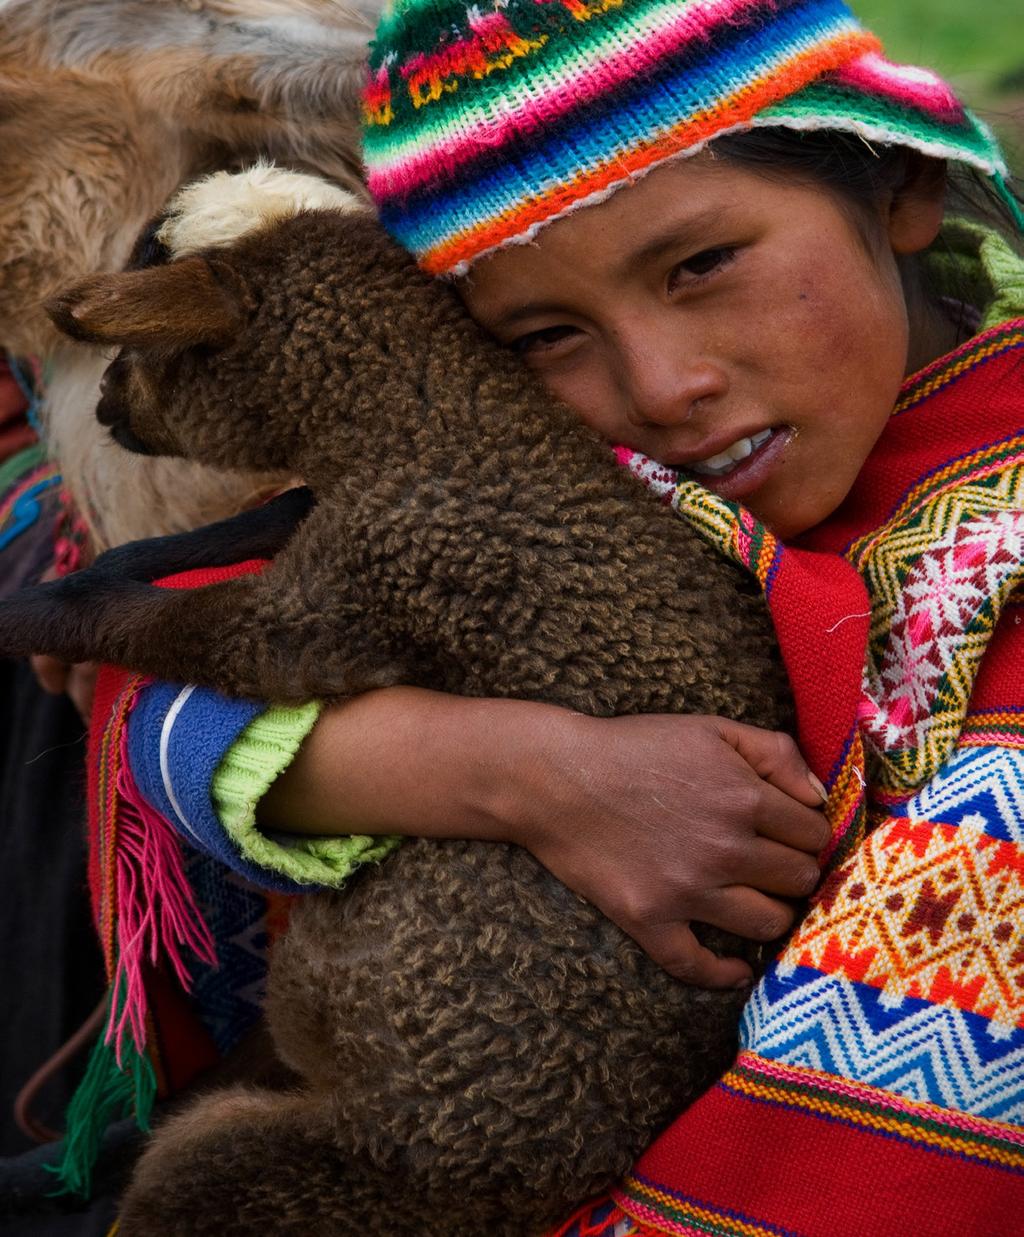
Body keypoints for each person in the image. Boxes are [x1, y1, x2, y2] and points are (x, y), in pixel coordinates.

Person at [57, 0, 1024, 1229]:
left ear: (899, 187)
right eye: (545, 335)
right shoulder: (574, 482)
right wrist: (518, 773)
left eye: (701, 265)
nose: (663, 386)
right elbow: (156, 704)